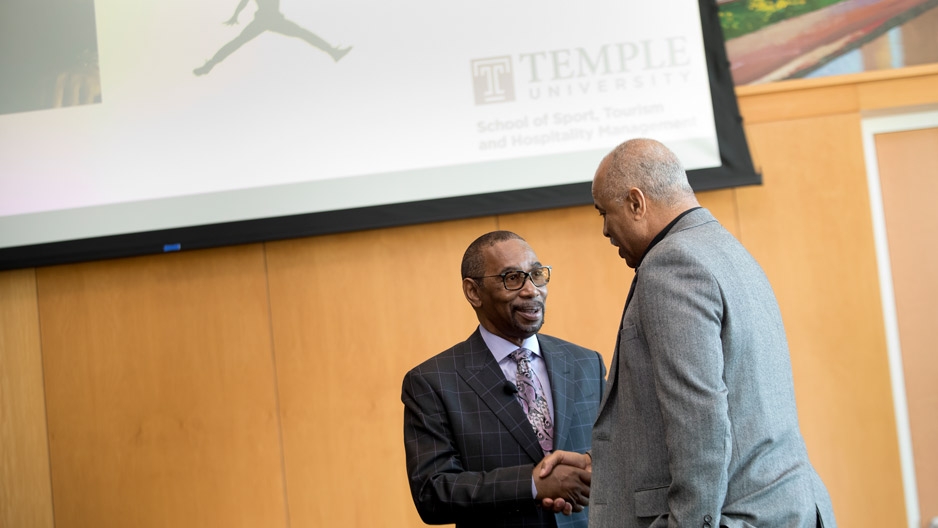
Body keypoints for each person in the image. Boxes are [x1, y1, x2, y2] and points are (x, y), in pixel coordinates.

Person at [540, 138, 837, 527]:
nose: (606, 231)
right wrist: (608, 465)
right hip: (787, 507)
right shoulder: (725, 249)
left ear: (635, 202)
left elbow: (700, 420)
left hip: (735, 515)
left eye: (604, 213)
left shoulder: (670, 265)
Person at [402, 230, 606, 528]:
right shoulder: (432, 381)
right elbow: (432, 493)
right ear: (473, 292)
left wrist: (591, 467)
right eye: (513, 278)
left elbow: (617, 450)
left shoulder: (586, 362)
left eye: (537, 274)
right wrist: (532, 484)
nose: (531, 290)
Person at [193, 0, 351, 76]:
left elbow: (243, 2)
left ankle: (333, 52)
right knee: (303, 33)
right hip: (267, 19)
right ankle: (332, 52)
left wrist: (236, 15)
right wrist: (235, 15)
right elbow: (244, 2)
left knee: (237, 43)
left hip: (271, 19)